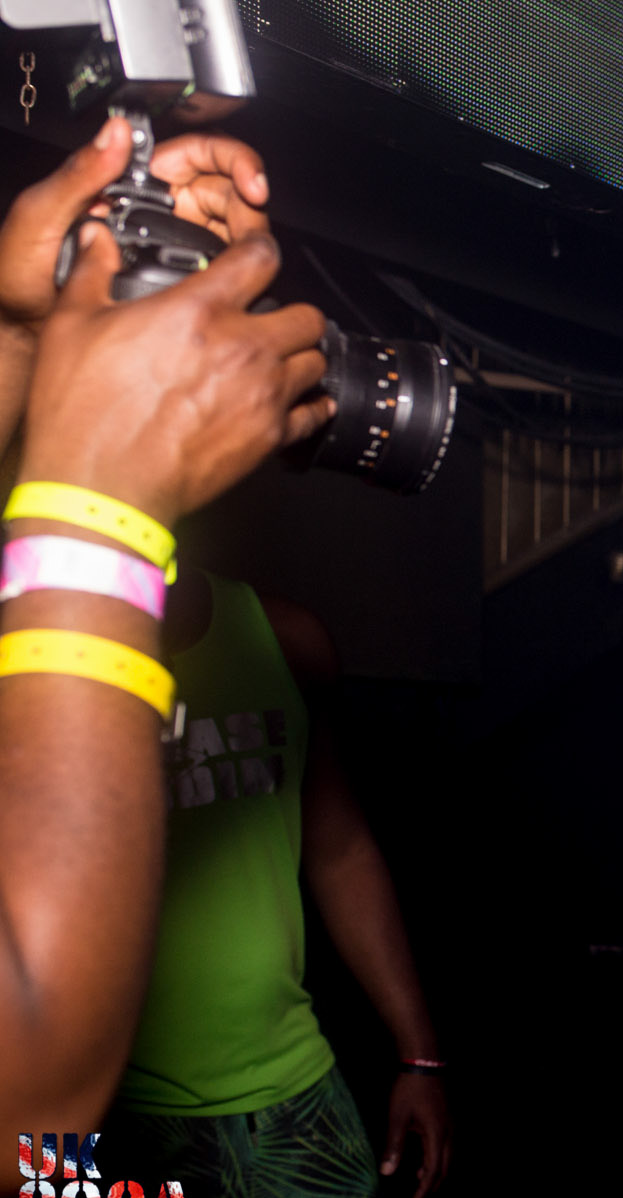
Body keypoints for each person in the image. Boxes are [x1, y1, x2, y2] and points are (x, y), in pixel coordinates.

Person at [0, 116, 334, 1132]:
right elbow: (35, 1092)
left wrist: (25, 332)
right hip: (114, 1143)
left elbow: (340, 842)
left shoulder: (273, 633)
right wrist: (100, 504)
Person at [95, 563, 451, 1198]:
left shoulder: (285, 640)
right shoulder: (34, 663)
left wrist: (419, 1054)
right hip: (107, 1135)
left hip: (296, 1123)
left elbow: (339, 847)